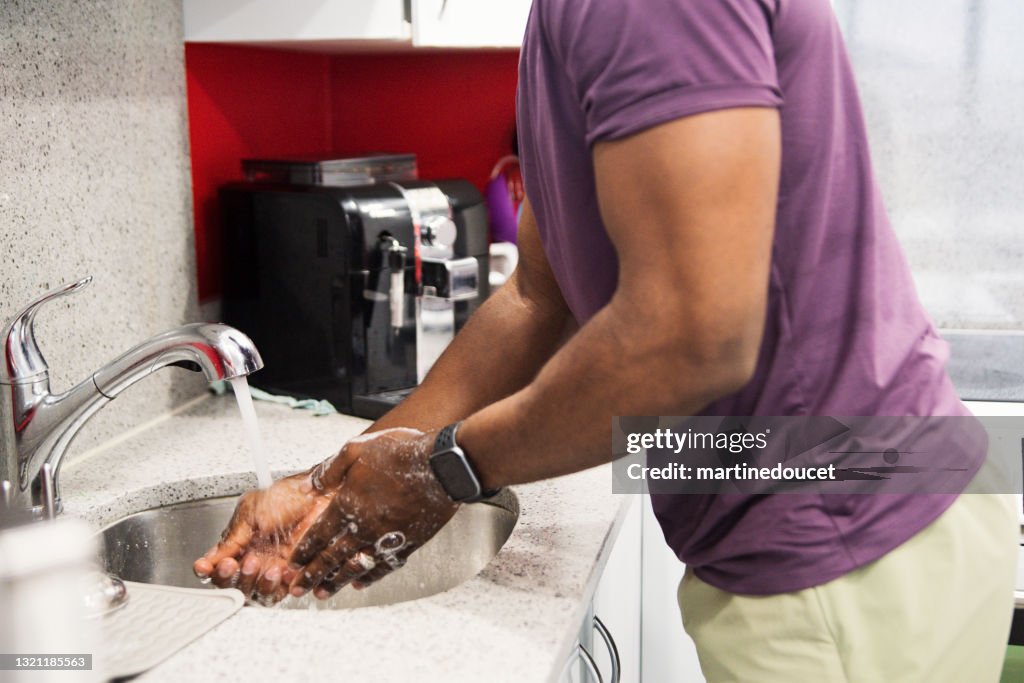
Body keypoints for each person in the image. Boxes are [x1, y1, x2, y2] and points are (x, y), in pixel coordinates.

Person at [194, 0, 1019, 679]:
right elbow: (534, 294)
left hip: (842, 542)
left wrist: (448, 467)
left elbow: (690, 335)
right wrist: (336, 484)